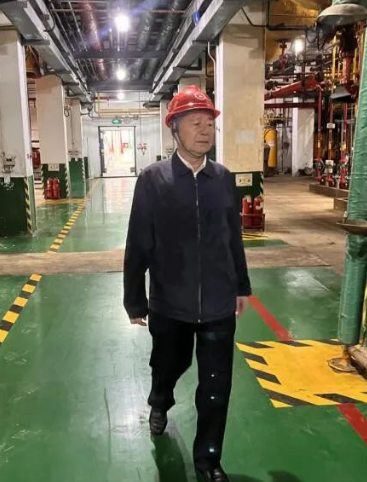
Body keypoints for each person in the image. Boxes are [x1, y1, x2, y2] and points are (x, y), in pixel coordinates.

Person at [123, 85, 251, 482]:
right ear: (174, 128)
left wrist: (241, 286)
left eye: (209, 122)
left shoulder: (223, 179)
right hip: (169, 303)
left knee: (215, 387)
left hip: (217, 303)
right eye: (195, 122)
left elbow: (233, 237)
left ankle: (208, 461)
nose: (204, 129)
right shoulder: (153, 179)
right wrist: (134, 300)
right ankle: (160, 399)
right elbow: (138, 242)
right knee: (168, 365)